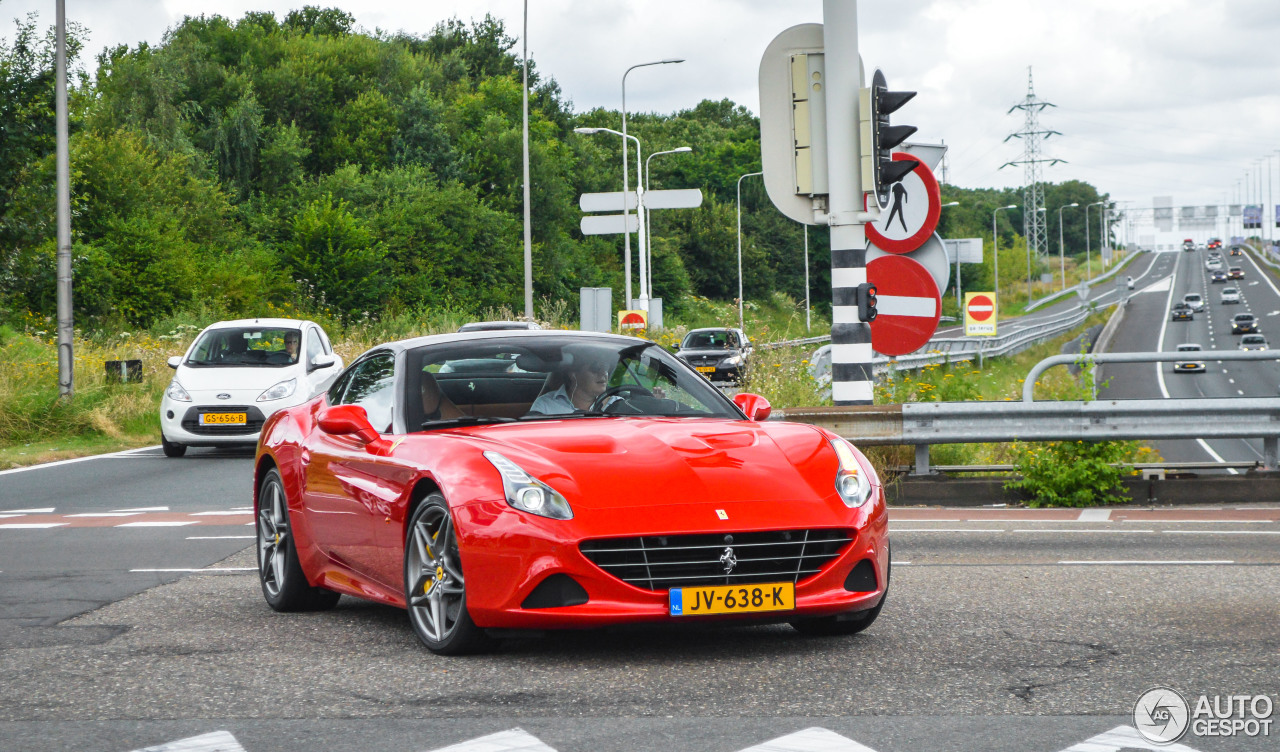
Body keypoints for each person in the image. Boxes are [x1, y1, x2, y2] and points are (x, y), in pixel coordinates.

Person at [528, 345, 617, 415]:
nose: (603, 373)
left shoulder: (617, 404)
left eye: (606, 368)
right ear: (573, 374)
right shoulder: (545, 404)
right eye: (595, 368)